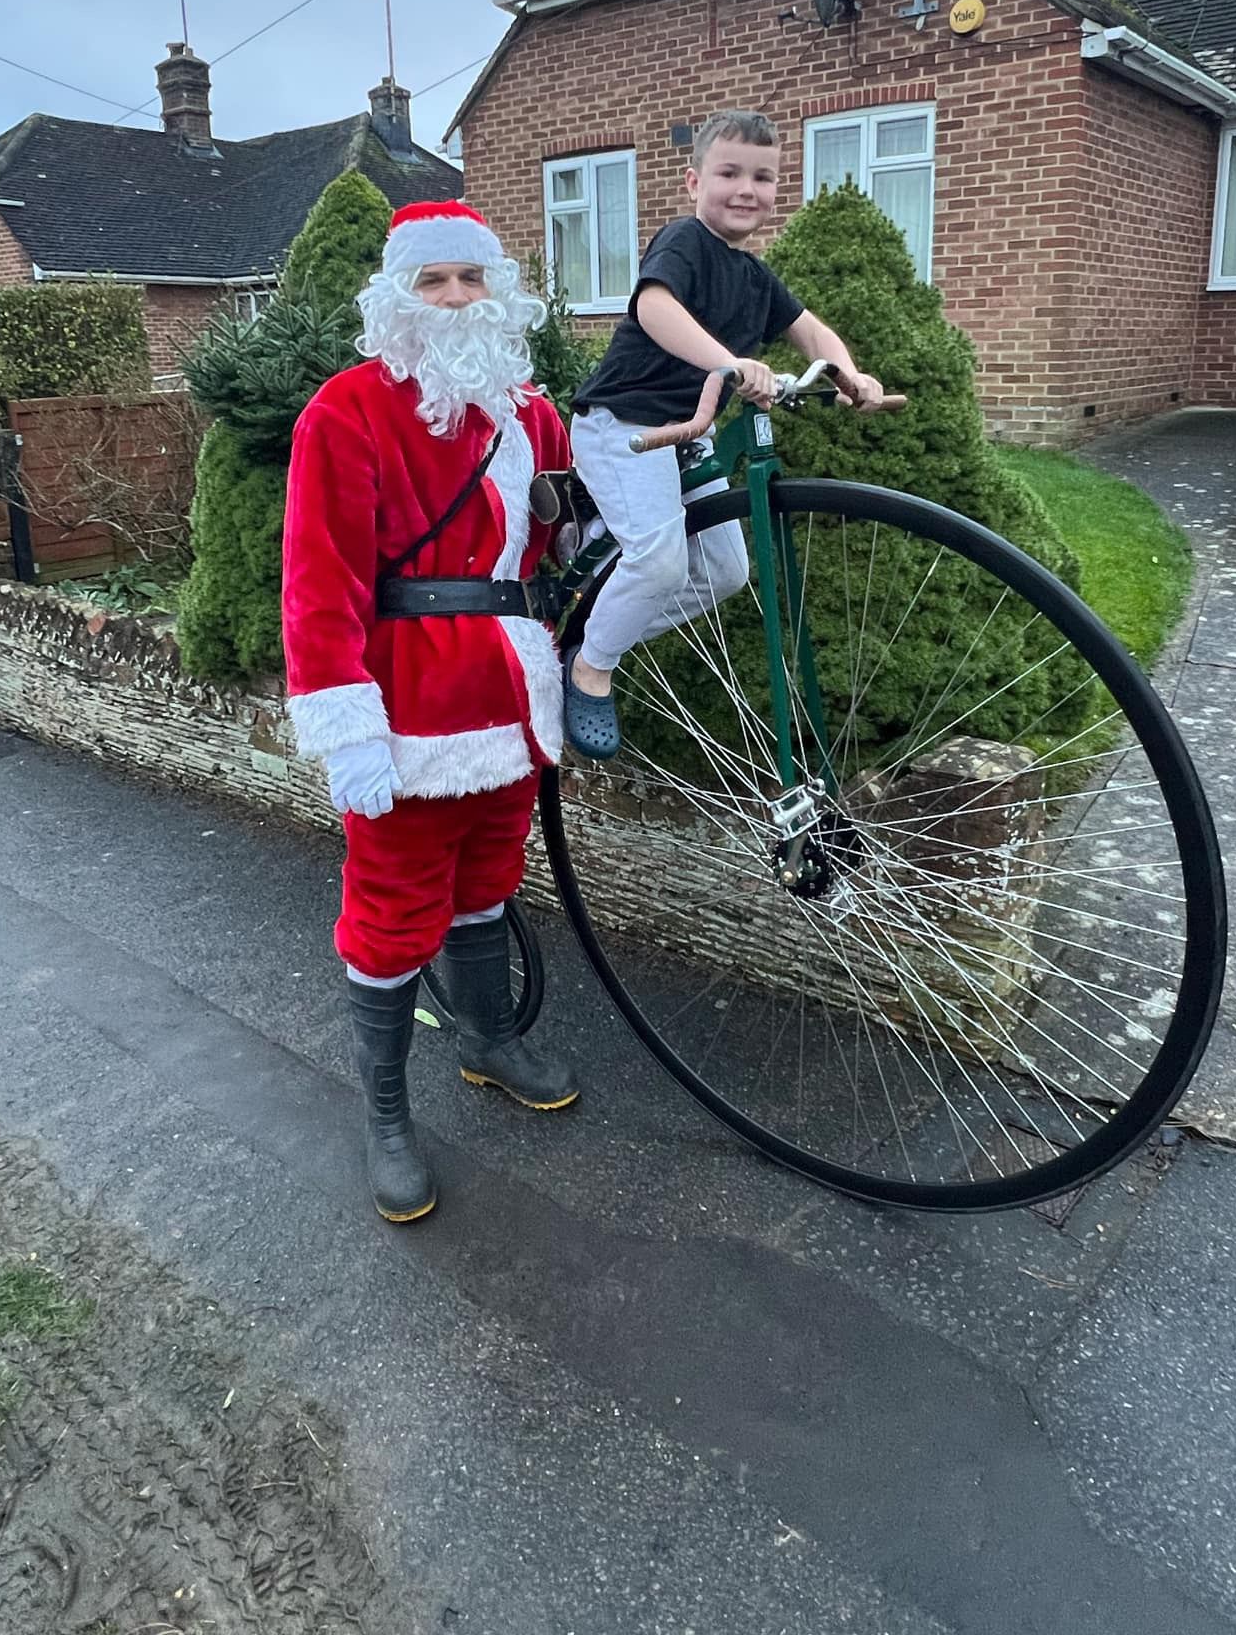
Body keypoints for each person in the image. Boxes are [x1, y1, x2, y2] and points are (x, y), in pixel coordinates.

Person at [282, 199, 577, 1226]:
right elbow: (319, 584)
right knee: (393, 913)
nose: (456, 297)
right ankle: (388, 1113)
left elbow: (551, 550)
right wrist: (347, 723)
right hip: (405, 706)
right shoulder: (347, 409)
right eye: (433, 280)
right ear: (398, 297)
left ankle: (489, 1040)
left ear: (500, 290)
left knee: (489, 878)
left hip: (508, 693)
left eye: (471, 278)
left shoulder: (530, 413)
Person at [564, 109, 886, 757]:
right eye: (729, 172)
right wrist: (730, 361)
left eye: (763, 177)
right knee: (658, 561)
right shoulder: (685, 241)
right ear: (693, 181)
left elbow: (812, 330)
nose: (746, 189)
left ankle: (596, 624)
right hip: (625, 425)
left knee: (726, 571)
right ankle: (588, 668)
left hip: (689, 434)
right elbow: (654, 307)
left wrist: (849, 372)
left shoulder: (754, 276)